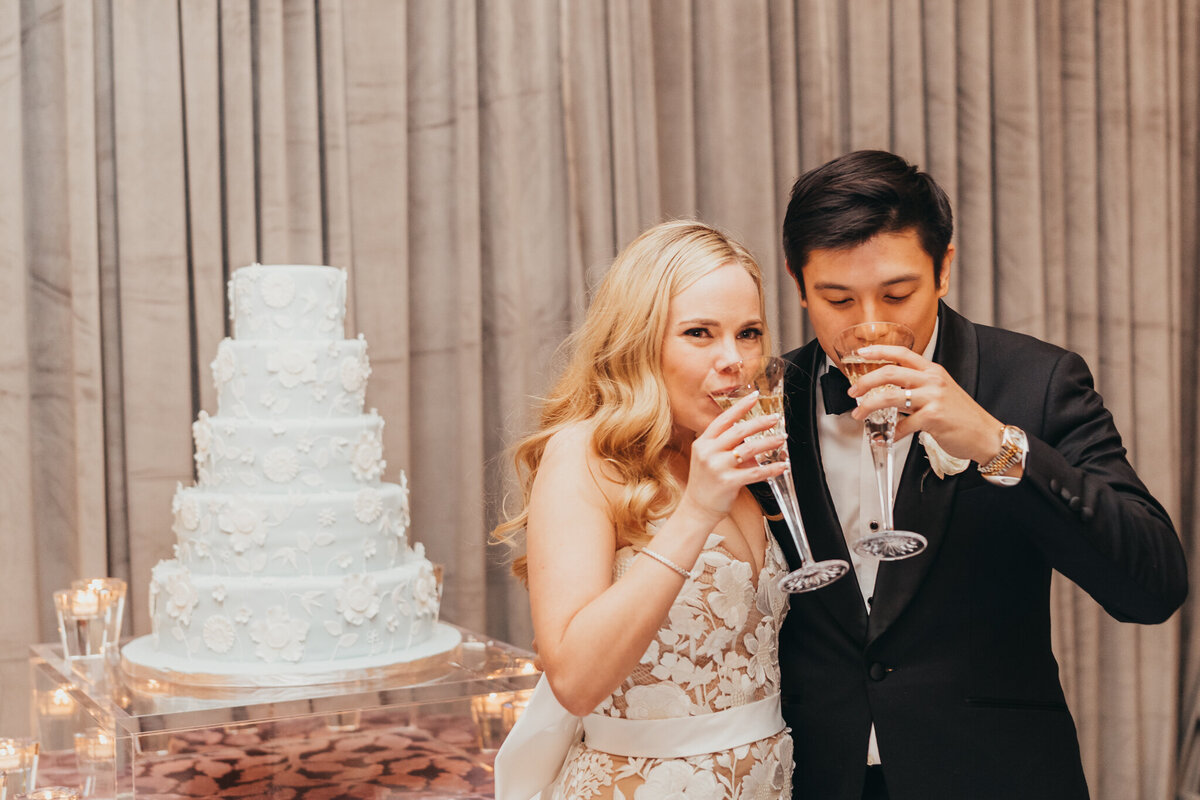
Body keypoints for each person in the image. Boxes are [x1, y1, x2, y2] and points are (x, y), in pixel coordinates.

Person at [772, 149, 1188, 800]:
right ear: (799, 285)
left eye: (898, 293)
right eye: (837, 299)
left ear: (943, 270)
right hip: (811, 777)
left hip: (993, 775)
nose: (870, 325)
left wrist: (998, 445)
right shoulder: (766, 400)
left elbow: (1152, 586)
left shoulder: (1036, 382)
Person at [493, 220, 795, 798]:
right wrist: (695, 512)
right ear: (640, 339)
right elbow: (575, 683)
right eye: (700, 332)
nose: (734, 359)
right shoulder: (586, 455)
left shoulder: (747, 451)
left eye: (749, 332)